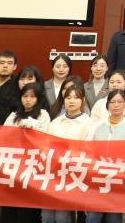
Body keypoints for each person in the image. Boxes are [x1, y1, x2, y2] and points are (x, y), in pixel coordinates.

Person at [0, 83, 49, 223]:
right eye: (25, 96)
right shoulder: (14, 115)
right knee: (10, 205)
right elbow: (2, 136)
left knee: (26, 208)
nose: (28, 100)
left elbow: (45, 136)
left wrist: (31, 128)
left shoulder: (43, 115)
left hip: (32, 166)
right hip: (14, 165)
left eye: (32, 97)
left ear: (38, 98)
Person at [43, 86, 92, 223]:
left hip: (73, 174)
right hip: (53, 173)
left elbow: (88, 150)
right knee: (46, 216)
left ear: (82, 100)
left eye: (76, 98)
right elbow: (46, 146)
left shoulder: (88, 123)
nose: (71, 101)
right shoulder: (56, 122)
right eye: (68, 97)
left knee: (61, 217)